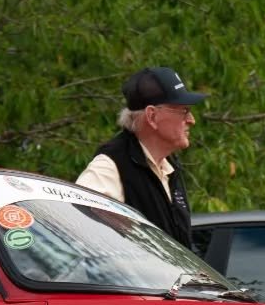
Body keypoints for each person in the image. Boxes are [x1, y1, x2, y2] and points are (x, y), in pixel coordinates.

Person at [76, 66, 206, 247]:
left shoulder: (169, 166)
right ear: (152, 116)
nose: (191, 120)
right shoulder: (110, 167)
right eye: (183, 110)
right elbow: (78, 234)